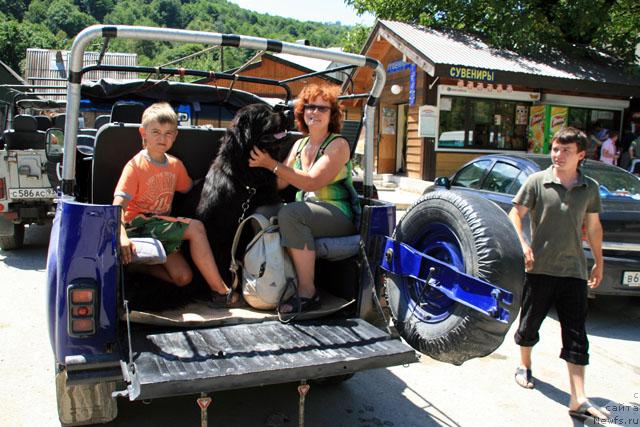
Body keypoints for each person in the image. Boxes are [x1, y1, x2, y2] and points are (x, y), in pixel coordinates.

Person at [508, 127, 609, 421]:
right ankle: (524, 365)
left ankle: (578, 398)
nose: (558, 155)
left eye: (566, 151)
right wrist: (523, 243)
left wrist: (599, 262)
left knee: (577, 334)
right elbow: (515, 215)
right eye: (555, 149)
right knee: (529, 326)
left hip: (574, 271)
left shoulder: (589, 188)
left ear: (580, 155)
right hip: (539, 269)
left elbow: (593, 228)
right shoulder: (537, 182)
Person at [248, 83, 360, 313]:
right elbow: (281, 182)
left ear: (333, 114)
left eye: (322, 108)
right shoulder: (300, 144)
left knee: (290, 213)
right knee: (262, 213)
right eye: (309, 107)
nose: (314, 112)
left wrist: (271, 164)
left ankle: (308, 292)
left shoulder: (337, 144)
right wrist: (257, 171)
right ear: (302, 111)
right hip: (307, 212)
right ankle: (268, 281)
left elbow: (311, 182)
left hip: (337, 214)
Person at [112, 102, 239, 306]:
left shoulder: (174, 165)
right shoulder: (135, 166)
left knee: (183, 278)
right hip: (137, 225)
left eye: (169, 133)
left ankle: (138, 267)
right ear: (143, 132)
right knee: (196, 228)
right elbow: (118, 206)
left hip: (159, 228)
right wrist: (121, 235)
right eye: (156, 132)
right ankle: (220, 290)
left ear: (176, 136)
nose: (163, 138)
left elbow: (193, 189)